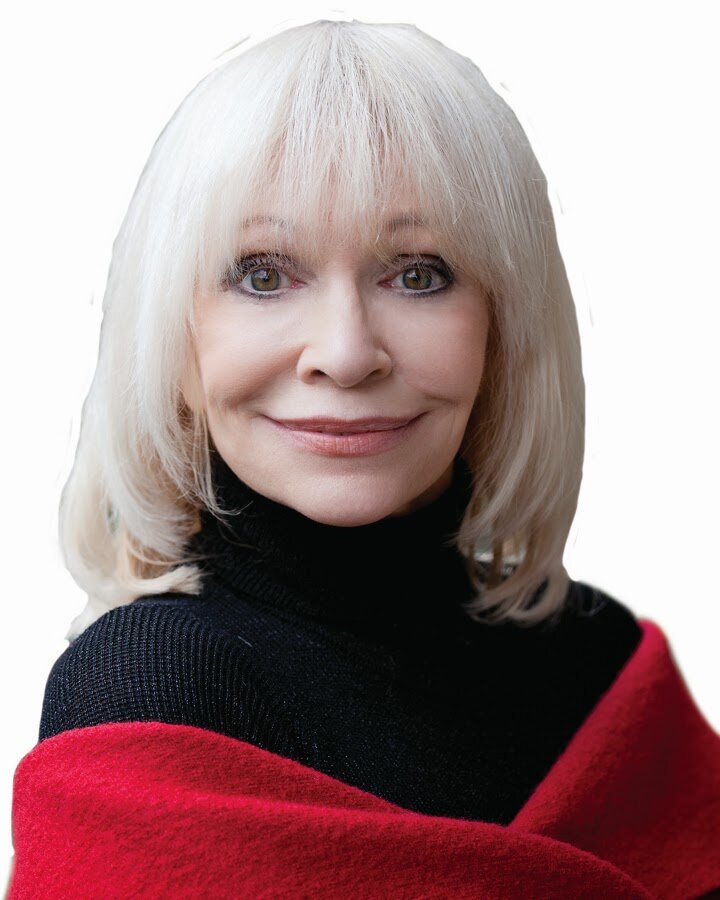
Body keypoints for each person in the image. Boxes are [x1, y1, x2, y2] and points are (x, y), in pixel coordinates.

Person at [7, 18, 720, 899]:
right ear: (175, 344)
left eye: (418, 273)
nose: (346, 355)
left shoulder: (603, 667)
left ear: (501, 332)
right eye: (264, 274)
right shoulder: (148, 689)